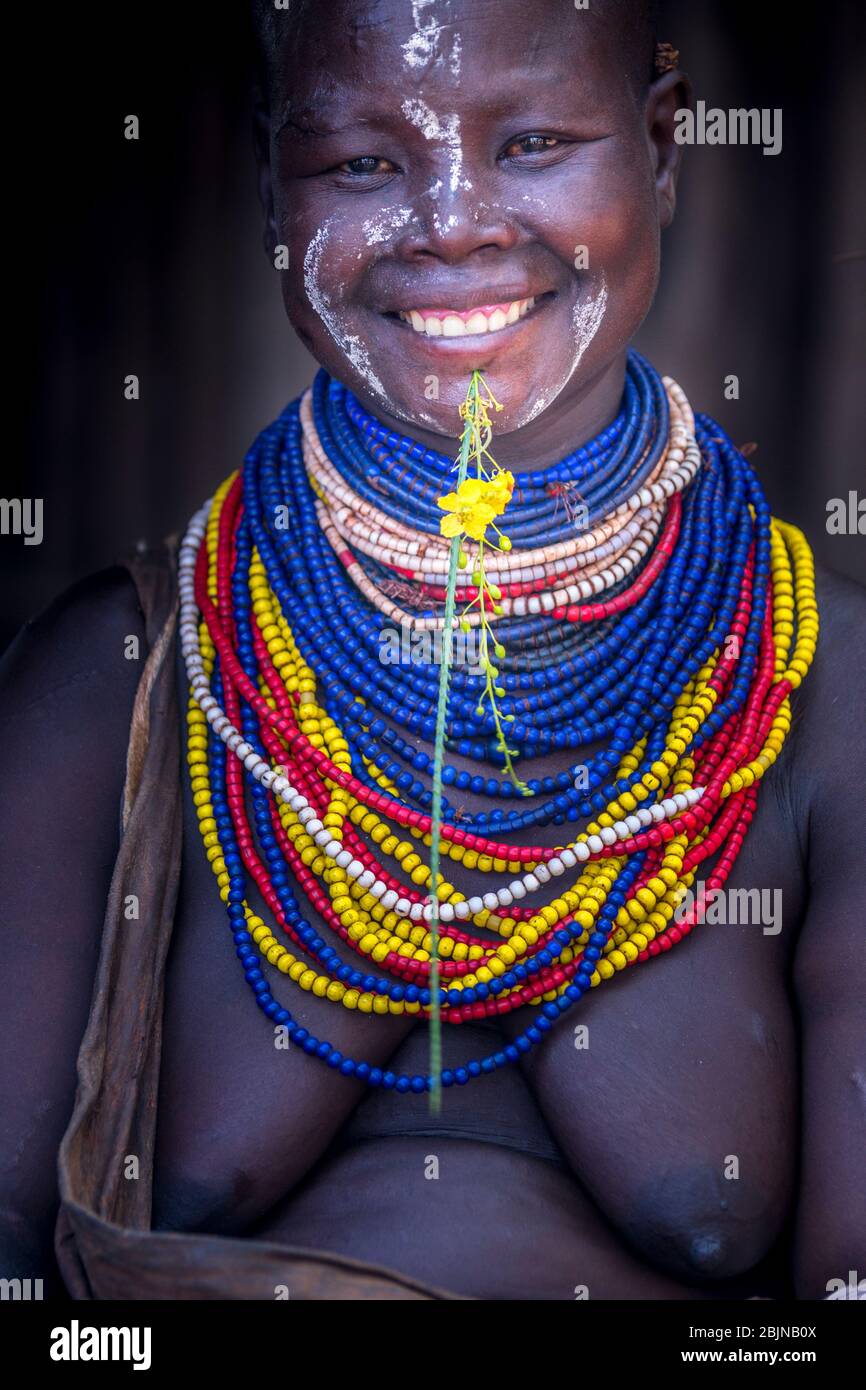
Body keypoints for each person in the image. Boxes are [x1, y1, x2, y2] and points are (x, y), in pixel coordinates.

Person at [1, 0, 863, 1302]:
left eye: (531, 143)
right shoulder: (119, 673)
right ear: (268, 186)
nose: (450, 221)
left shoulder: (821, 688)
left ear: (664, 148)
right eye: (361, 161)